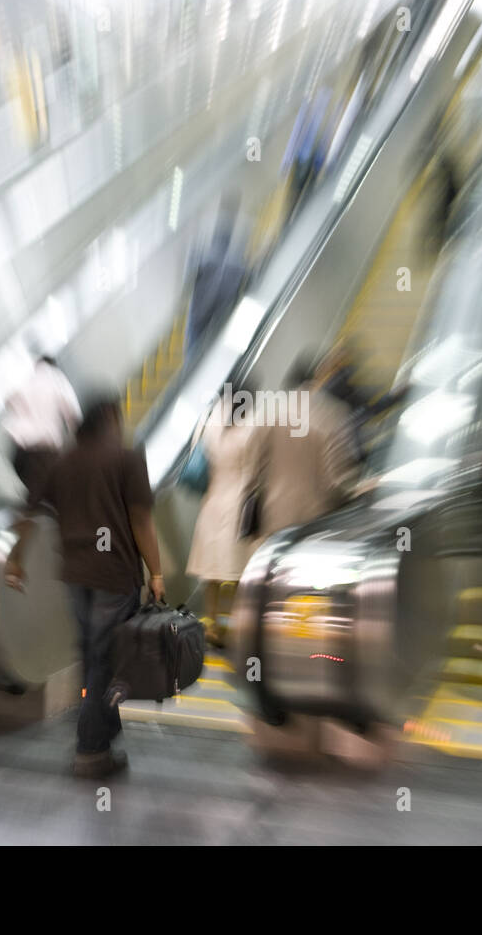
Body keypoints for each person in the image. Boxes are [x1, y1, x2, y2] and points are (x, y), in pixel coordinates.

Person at [32, 398, 165, 778]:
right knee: (104, 661)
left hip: (76, 574)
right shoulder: (126, 458)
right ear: (109, 420)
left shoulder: (64, 460)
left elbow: (41, 507)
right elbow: (141, 518)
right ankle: (90, 750)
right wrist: (156, 572)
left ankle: (104, 735)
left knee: (92, 656)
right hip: (114, 572)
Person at [185, 389, 261, 647]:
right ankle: (240, 625)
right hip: (239, 502)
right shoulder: (250, 424)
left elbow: (198, 453)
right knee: (240, 570)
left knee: (212, 570)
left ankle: (213, 623)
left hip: (213, 500)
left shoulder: (210, 419)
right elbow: (255, 468)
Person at [2, 354, 81, 589]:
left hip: (18, 450)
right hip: (42, 450)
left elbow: (10, 400)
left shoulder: (24, 376)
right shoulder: (56, 377)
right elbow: (74, 415)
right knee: (45, 503)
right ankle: (14, 562)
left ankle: (68, 556)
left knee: (44, 500)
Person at [255, 366, 361, 541]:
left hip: (274, 515)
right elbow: (338, 478)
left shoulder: (268, 416)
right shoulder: (330, 413)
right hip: (318, 517)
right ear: (314, 383)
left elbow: (256, 468)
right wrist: (354, 492)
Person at [184, 198, 247, 364]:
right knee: (200, 344)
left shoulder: (208, 259)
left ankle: (192, 371)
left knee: (194, 346)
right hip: (219, 310)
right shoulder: (235, 263)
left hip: (204, 310)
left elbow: (190, 274)